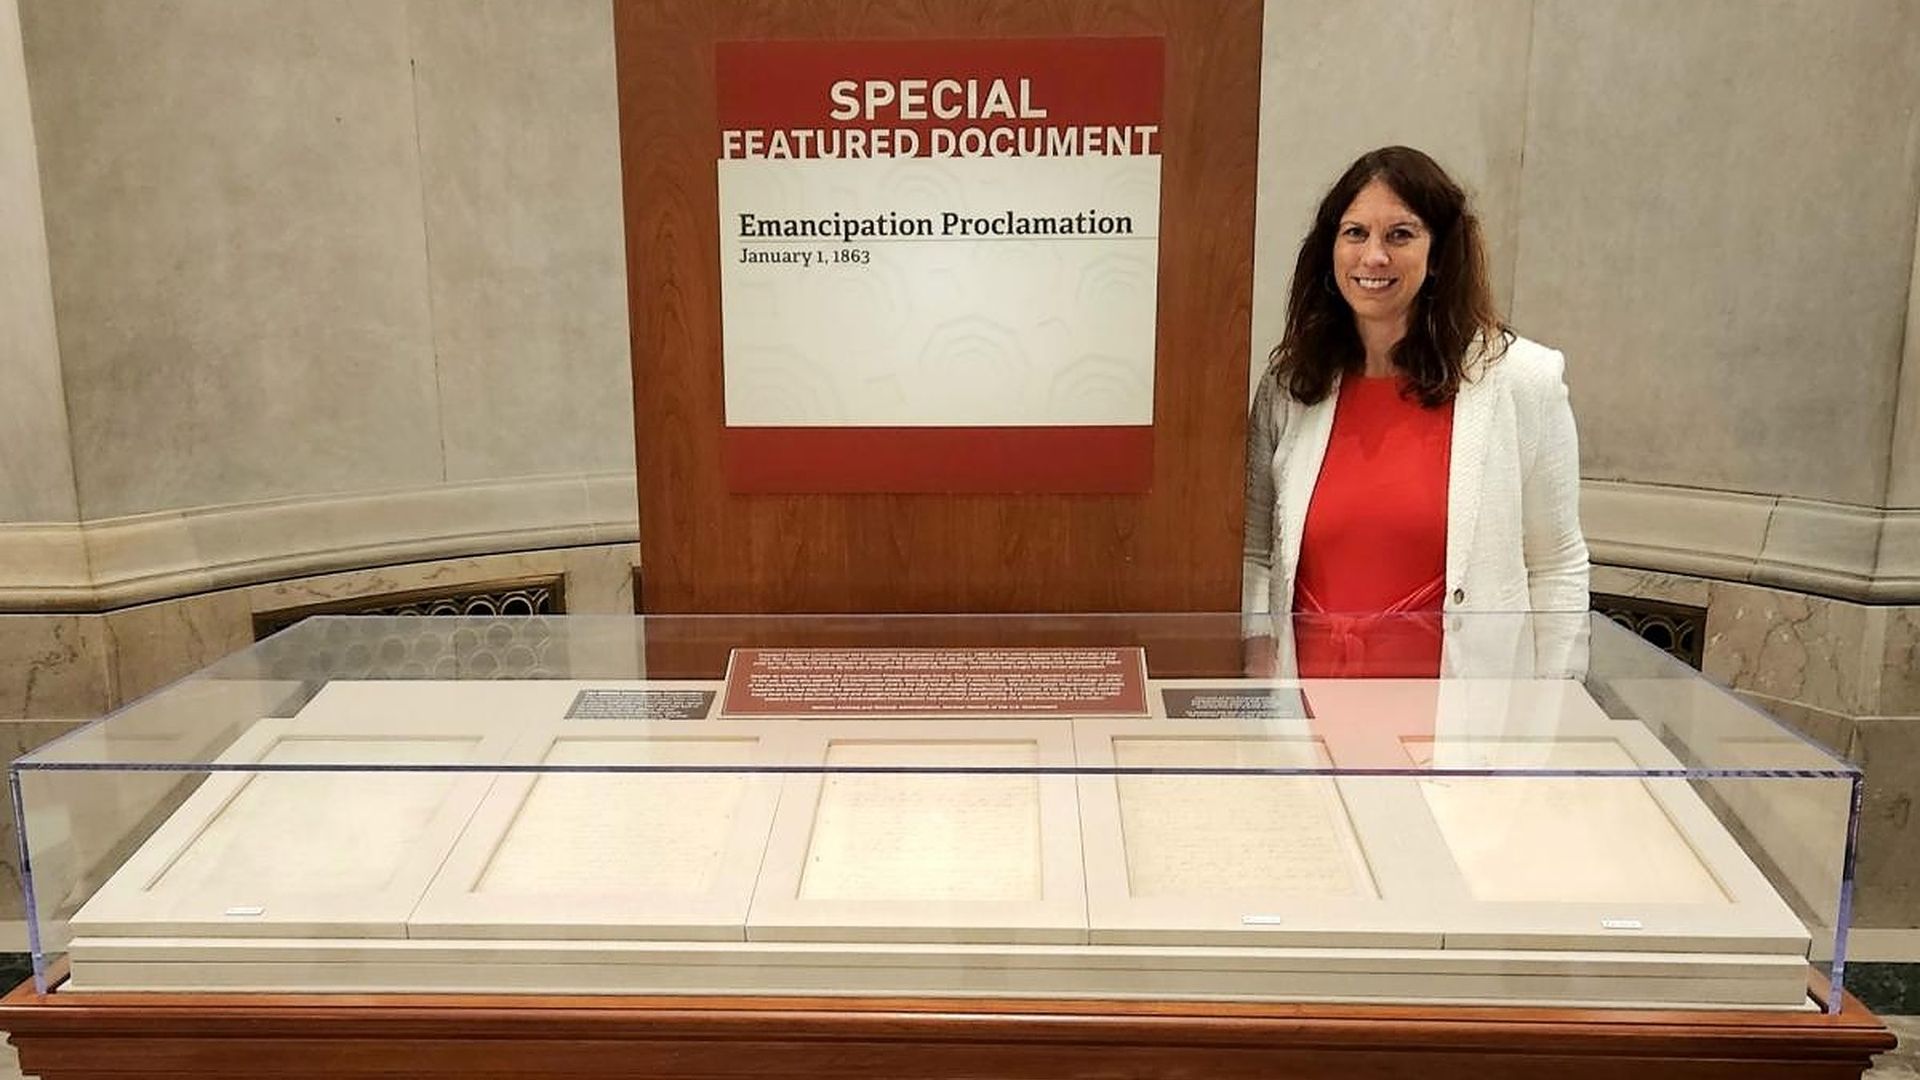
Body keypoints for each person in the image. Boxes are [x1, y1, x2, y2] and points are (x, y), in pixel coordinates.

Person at [1242, 146, 1588, 678]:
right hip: (1308, 719)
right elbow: (1257, 557)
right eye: (1355, 233)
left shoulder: (1523, 381)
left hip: (1463, 728)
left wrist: (1552, 712)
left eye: (1400, 235)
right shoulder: (1289, 387)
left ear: (1439, 255)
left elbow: (1557, 566)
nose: (1373, 256)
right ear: (1329, 251)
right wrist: (1258, 681)